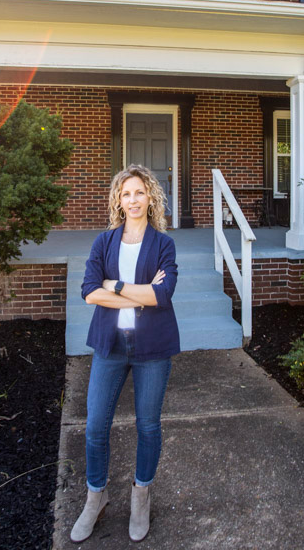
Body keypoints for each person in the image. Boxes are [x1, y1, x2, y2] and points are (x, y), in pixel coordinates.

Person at [70, 164, 180, 544]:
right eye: (126, 193)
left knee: (148, 426)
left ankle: (140, 497)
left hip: (152, 348)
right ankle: (95, 498)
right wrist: (138, 290)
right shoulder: (104, 242)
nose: (133, 200)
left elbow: (161, 295)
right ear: (118, 200)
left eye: (139, 192)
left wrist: (113, 285)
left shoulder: (163, 244)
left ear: (151, 198)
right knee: (95, 426)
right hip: (110, 345)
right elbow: (88, 292)